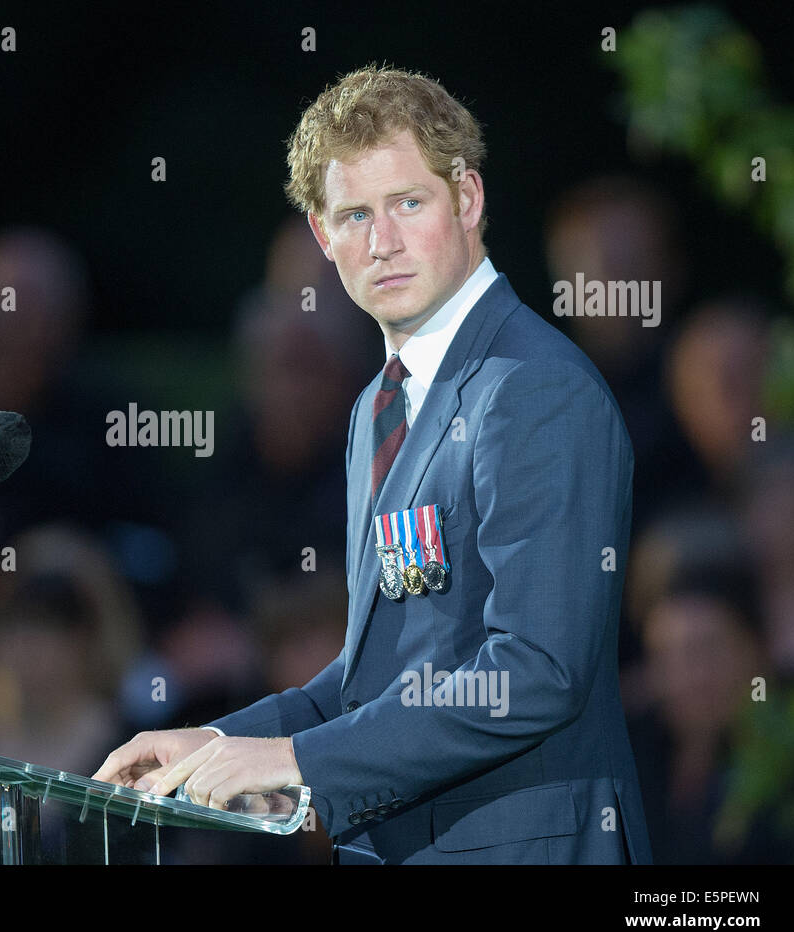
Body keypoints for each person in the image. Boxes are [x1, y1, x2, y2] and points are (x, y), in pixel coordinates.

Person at [93, 64, 652, 864]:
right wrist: (221, 739)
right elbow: (381, 672)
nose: (381, 242)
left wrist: (299, 761)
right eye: (354, 214)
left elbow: (536, 670)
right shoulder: (376, 406)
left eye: (408, 204)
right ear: (322, 236)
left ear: (467, 200)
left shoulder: (533, 387)